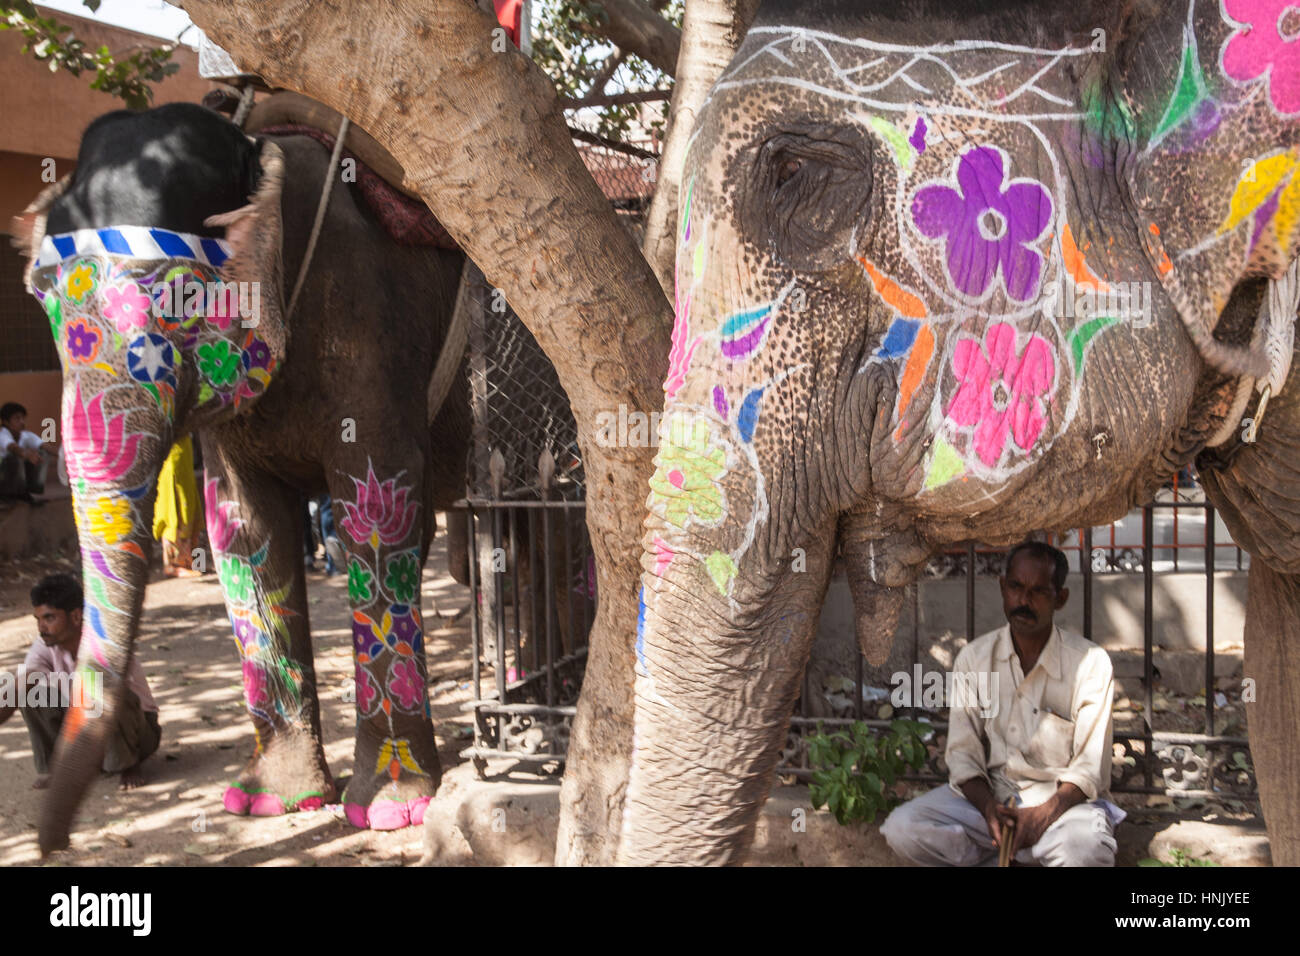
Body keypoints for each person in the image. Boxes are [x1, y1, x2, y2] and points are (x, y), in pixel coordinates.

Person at [881, 541, 1124, 866]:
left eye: (1038, 591)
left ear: (1060, 598)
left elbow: (1089, 769)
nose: (1024, 601)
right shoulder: (974, 658)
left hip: (1061, 809)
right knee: (903, 828)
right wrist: (990, 811)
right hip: (990, 805)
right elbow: (963, 754)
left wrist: (1039, 819)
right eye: (1016, 587)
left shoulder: (1090, 663)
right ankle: (1006, 853)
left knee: (1086, 851)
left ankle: (1017, 853)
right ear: (1002, 587)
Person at [0, 574, 161, 789]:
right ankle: (54, 768)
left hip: (139, 731)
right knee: (30, 692)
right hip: (88, 729)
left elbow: (112, 693)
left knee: (107, 691)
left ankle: (127, 765)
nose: (41, 627)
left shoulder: (104, 641)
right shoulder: (45, 644)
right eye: (38, 619)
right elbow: (22, 685)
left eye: (49, 618)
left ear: (76, 616)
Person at [152, 436, 202, 577]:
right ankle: (171, 566)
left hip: (183, 452)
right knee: (173, 511)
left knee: (191, 507)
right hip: (171, 456)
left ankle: (198, 563)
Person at [0, 402, 51, 500]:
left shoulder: (26, 435)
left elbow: (46, 447)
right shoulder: (2, 435)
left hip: (12, 478)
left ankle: (30, 491)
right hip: (2, 476)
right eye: (17, 418)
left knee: (42, 454)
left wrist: (67, 455)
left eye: (23, 418)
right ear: (6, 422)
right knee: (15, 457)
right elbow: (13, 448)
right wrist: (27, 455)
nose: (22, 422)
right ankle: (9, 494)